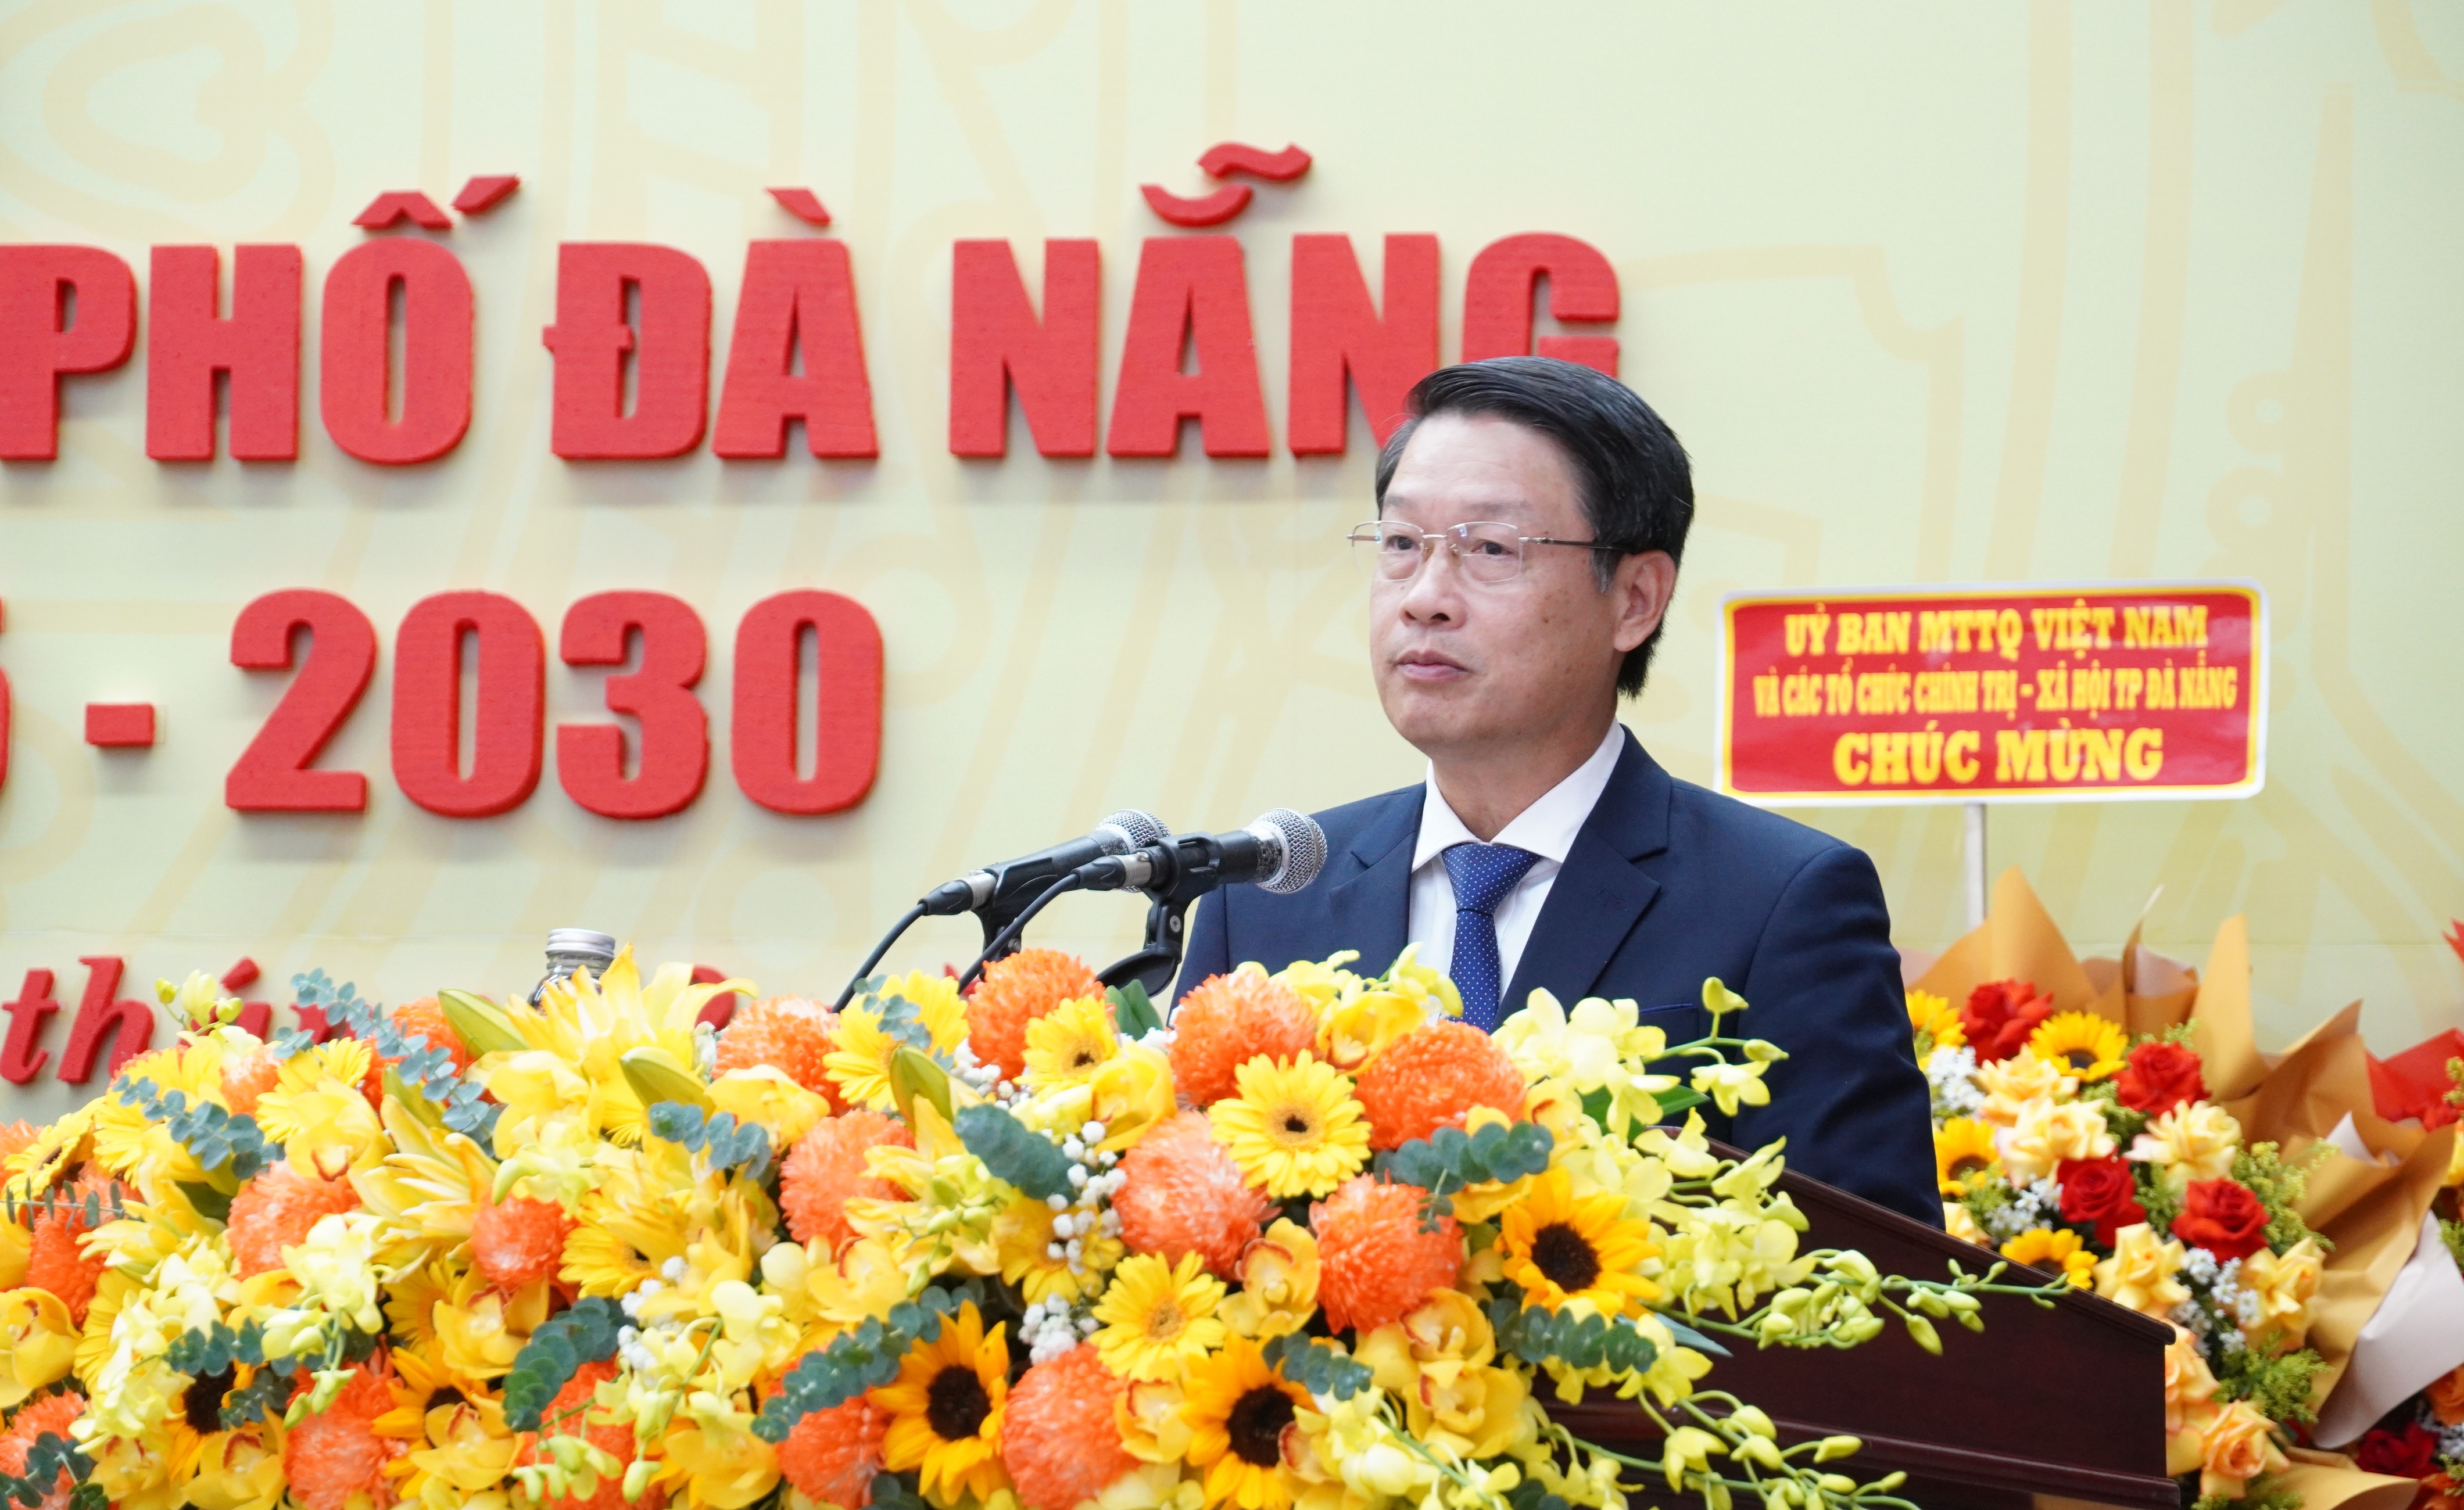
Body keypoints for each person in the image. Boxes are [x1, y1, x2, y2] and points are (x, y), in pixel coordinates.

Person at [1174, 357, 1939, 1226]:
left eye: (1490, 549)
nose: (1425, 599)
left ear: (1636, 599)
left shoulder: (1782, 904)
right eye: (1401, 545)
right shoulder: (1265, 897)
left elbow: (1877, 1273)